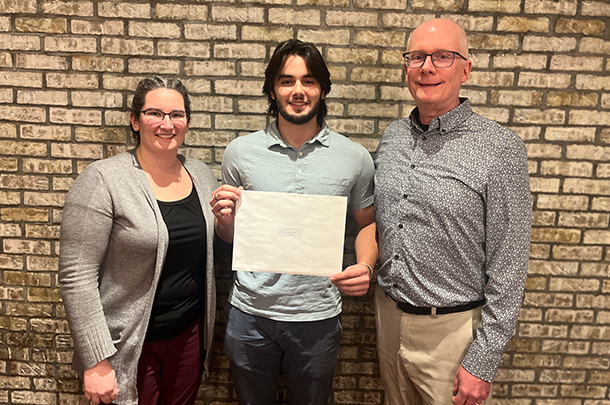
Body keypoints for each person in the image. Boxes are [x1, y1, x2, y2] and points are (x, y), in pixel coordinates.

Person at [209, 39, 377, 405]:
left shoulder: (354, 157)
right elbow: (230, 237)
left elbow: (367, 223)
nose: (298, 91)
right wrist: (224, 221)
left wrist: (365, 265)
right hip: (250, 313)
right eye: (287, 81)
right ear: (272, 89)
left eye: (309, 81)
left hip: (317, 315)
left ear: (323, 89)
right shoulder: (240, 152)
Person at [374, 19, 532, 405]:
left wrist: (483, 360)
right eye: (416, 57)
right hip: (388, 320)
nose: (427, 67)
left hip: (453, 333)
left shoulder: (501, 149)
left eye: (443, 57)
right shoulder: (393, 137)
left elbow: (509, 263)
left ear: (466, 68)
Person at [59, 76, 218, 405]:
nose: (167, 124)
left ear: (187, 121)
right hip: (128, 342)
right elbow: (77, 275)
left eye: (177, 115)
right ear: (135, 120)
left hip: (189, 335)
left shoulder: (202, 176)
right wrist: (95, 360)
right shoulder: (103, 180)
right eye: (155, 113)